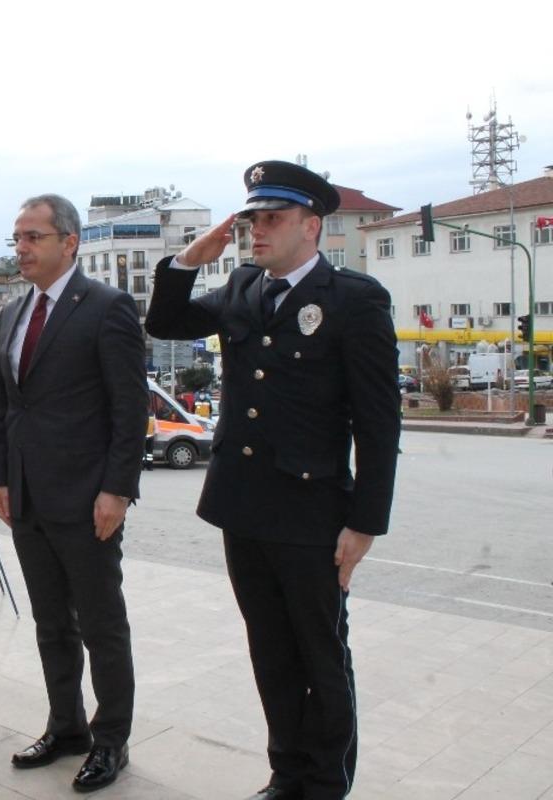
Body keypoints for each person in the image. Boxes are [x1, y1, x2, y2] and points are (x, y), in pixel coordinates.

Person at [145, 161, 401, 800]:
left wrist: (365, 521)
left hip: (312, 511)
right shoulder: (242, 287)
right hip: (244, 505)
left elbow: (377, 423)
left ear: (311, 226)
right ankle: (286, 775)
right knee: (271, 653)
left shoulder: (354, 300)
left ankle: (324, 786)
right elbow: (165, 323)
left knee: (320, 655)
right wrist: (185, 262)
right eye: (252, 218)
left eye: (272, 218)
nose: (256, 230)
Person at [0, 194, 147, 793]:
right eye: (18, 237)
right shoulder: (12, 312)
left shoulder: (107, 308)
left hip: (87, 501)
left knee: (101, 624)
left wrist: (117, 491)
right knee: (51, 623)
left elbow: (130, 412)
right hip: (26, 498)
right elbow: (1, 404)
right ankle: (66, 726)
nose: (21, 248)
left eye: (33, 236)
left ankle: (111, 741)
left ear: (69, 243)